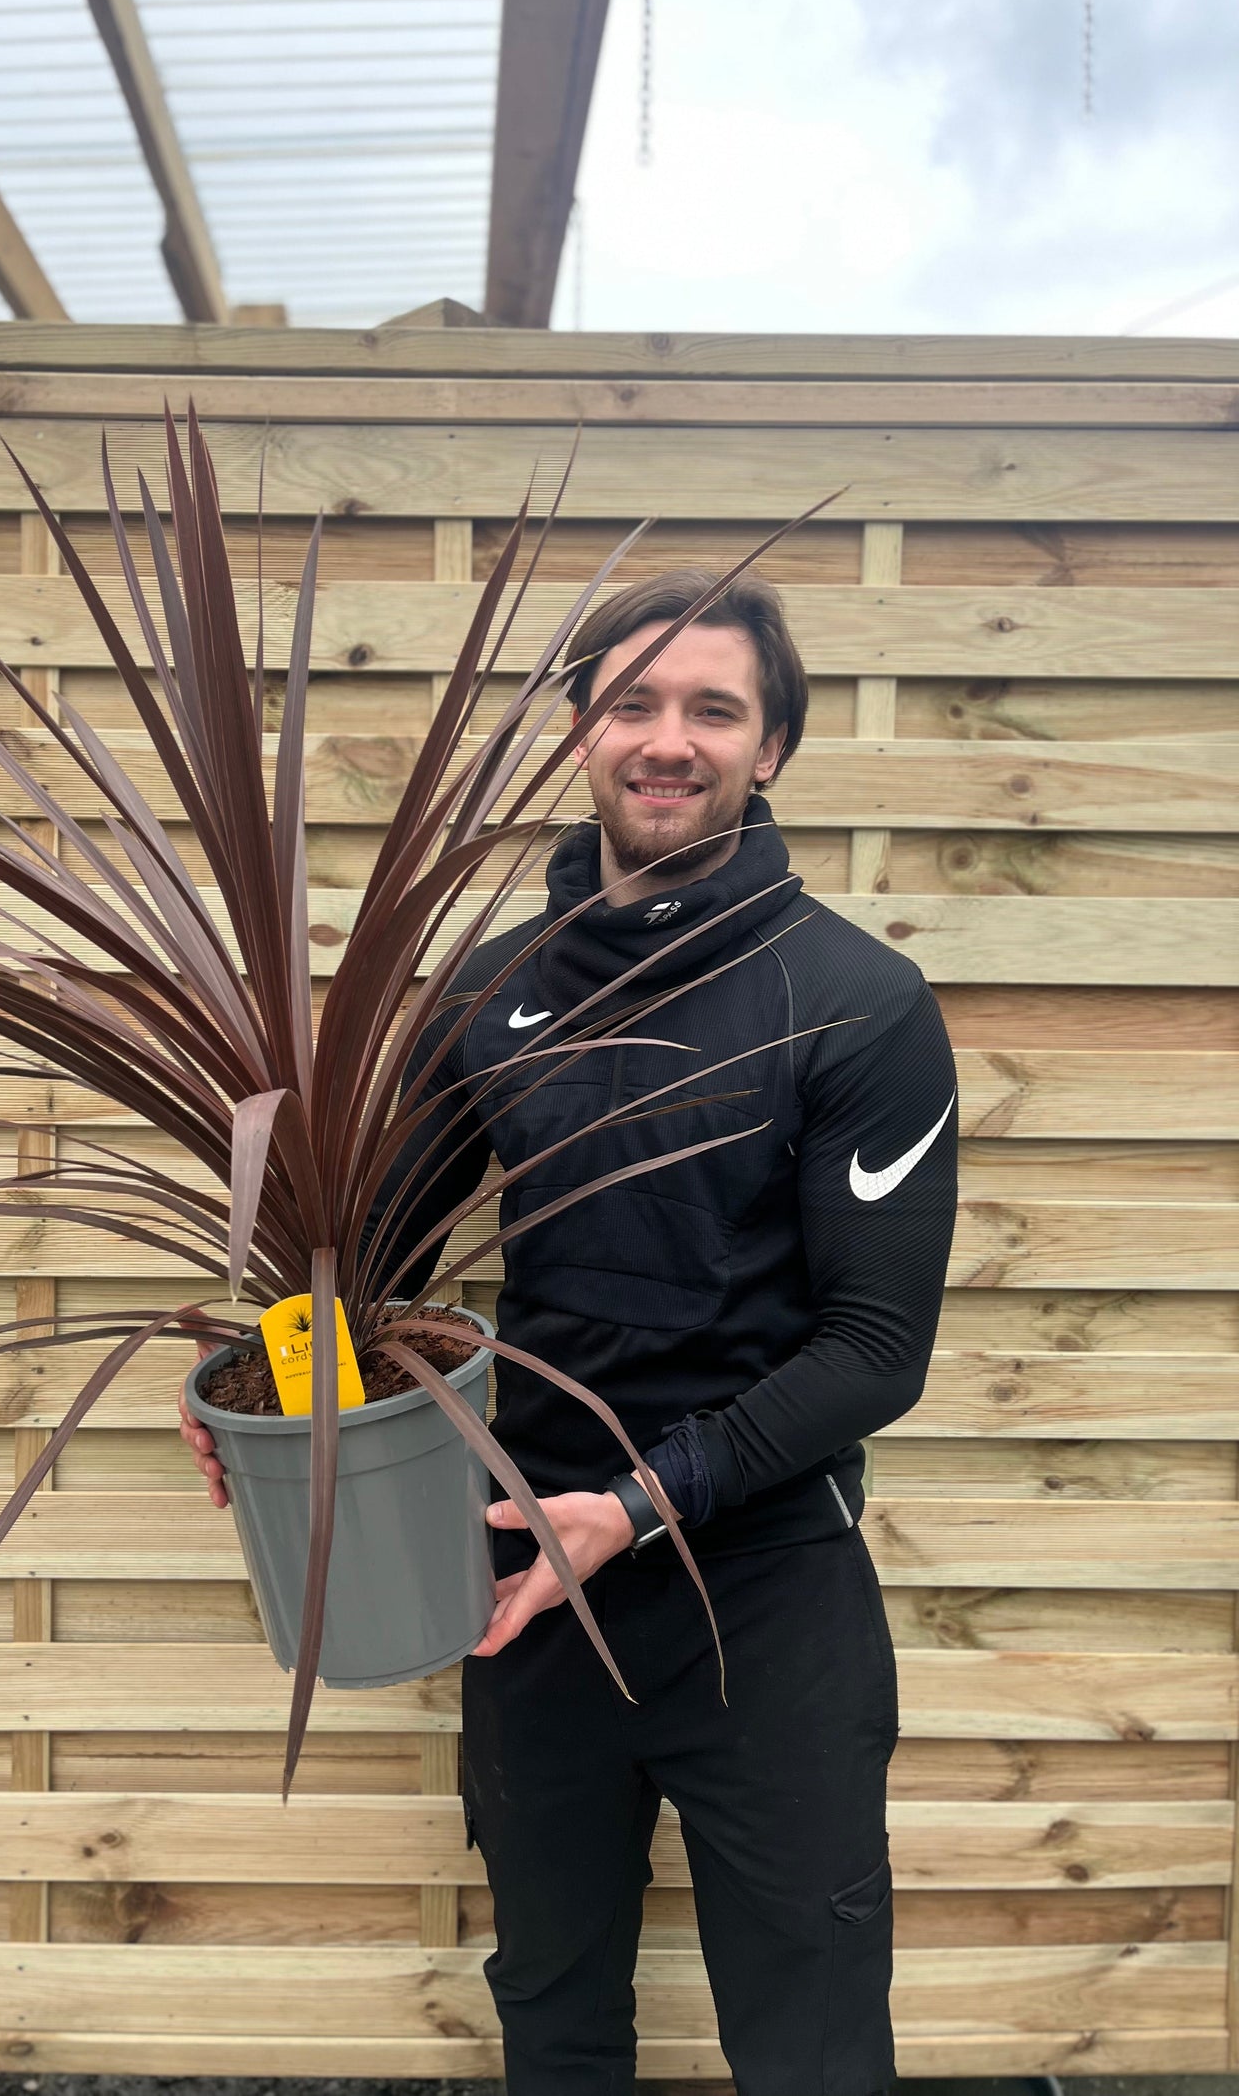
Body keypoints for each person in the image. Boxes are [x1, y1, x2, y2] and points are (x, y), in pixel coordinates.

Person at [181, 568, 959, 2096]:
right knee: (551, 2010)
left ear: (772, 748)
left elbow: (880, 1349)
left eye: (714, 709)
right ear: (580, 735)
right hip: (530, 1586)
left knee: (812, 2039)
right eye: (633, 703)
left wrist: (642, 1502)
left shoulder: (862, 1003)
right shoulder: (491, 989)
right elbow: (355, 1248)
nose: (670, 739)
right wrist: (256, 1398)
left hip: (769, 1594)